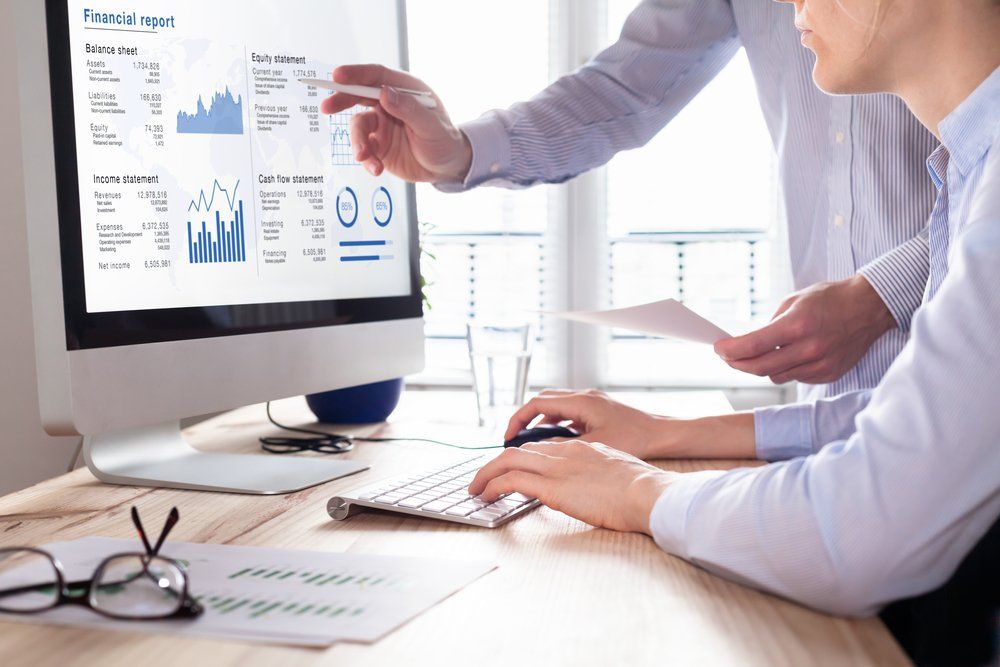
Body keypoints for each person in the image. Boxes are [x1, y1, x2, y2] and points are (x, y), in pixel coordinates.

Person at [464, 0, 1000, 657]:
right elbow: (920, 421)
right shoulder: (968, 169)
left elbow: (859, 527)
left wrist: (636, 490)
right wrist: (667, 437)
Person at [323, 0, 938, 455]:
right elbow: (627, 89)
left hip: (962, 388)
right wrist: (458, 150)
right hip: (828, 422)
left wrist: (884, 293)